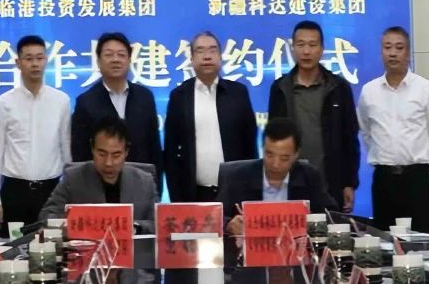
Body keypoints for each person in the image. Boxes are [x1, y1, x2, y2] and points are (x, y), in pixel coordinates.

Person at [357, 26, 429, 233]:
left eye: (399, 48)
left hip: (416, 179)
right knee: (384, 239)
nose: (393, 53)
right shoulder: (369, 91)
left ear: (408, 53)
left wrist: (420, 162)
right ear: (381, 52)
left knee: (419, 238)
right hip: (384, 178)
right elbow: (367, 132)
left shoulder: (426, 90)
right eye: (387, 47)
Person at [267, 20, 360, 211]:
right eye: (301, 45)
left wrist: (349, 183)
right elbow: (273, 139)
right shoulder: (280, 88)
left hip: (330, 181)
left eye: (312, 45)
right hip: (290, 181)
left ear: (322, 49)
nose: (306, 51)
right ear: (292, 49)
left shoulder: (338, 87)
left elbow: (349, 139)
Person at [0, 35, 71, 227]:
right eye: (29, 58)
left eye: (39, 58)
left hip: (52, 191)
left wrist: (71, 191)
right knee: (15, 244)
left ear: (46, 60)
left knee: (53, 243)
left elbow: (66, 148)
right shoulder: (4, 102)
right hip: (15, 191)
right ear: (18, 63)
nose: (35, 64)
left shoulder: (61, 101)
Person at [163, 31, 258, 203]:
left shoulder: (238, 93)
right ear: (191, 59)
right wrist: (177, 198)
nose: (207, 56)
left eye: (212, 50)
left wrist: (251, 191)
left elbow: (250, 146)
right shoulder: (179, 96)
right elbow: (170, 152)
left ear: (220, 57)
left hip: (235, 192)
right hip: (193, 195)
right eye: (200, 51)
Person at [71, 32, 163, 191]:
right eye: (109, 55)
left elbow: (154, 148)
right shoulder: (85, 102)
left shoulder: (145, 97)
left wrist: (156, 188)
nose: (115, 59)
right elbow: (80, 154)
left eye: (121, 54)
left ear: (129, 60)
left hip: (140, 186)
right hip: (99, 189)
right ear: (98, 61)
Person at [220, 117, 336, 235]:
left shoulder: (309, 177)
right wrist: (228, 225)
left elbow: (332, 215)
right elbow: (215, 216)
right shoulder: (239, 177)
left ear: (296, 154)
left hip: (295, 245)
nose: (275, 164)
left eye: (284, 158)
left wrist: (313, 222)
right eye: (269, 155)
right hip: (249, 245)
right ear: (262, 148)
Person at [39, 115, 158, 225]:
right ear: (92, 148)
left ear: (126, 152)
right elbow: (47, 216)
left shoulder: (145, 183)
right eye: (102, 154)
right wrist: (77, 225)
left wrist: (134, 227)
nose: (108, 163)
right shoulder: (73, 179)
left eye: (116, 155)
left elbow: (158, 224)